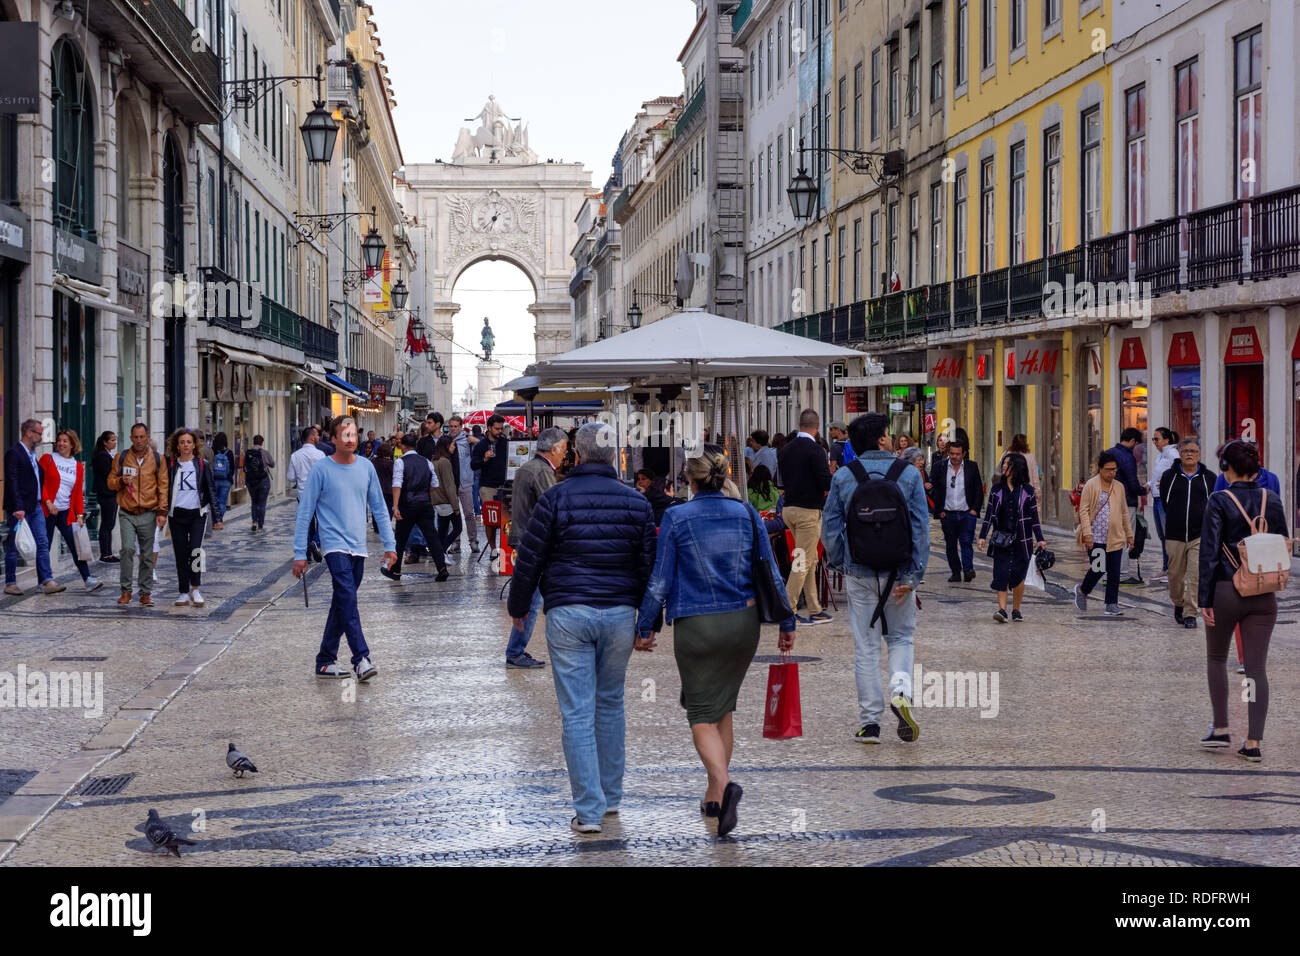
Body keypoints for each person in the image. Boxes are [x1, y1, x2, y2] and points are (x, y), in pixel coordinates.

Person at [506, 421, 657, 835]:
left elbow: (531, 558)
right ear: (614, 455)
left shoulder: (555, 498)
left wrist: (518, 607)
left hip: (569, 612)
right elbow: (649, 569)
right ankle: (610, 798)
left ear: (577, 453)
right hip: (621, 614)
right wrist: (649, 622)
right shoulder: (637, 503)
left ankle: (588, 811)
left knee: (576, 712)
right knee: (610, 703)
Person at [636, 445, 795, 836]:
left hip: (697, 624)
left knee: (701, 714)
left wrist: (646, 625)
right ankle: (713, 792)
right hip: (743, 623)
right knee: (721, 707)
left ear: (689, 481)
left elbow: (661, 578)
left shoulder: (676, 516)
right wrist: (787, 620)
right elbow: (771, 572)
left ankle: (725, 786)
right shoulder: (745, 513)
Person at [823, 413, 930, 744]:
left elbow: (829, 528)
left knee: (866, 647)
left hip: (860, 572)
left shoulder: (844, 476)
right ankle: (900, 691)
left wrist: (843, 563)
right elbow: (921, 529)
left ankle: (870, 724)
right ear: (883, 439)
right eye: (889, 432)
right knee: (900, 638)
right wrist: (914, 575)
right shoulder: (908, 474)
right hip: (899, 572)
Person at [1198, 439, 1289, 762]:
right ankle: (1253, 741)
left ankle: (1221, 728)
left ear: (1227, 469)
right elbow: (1281, 543)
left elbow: (1208, 553)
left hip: (1226, 589)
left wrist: (1204, 599)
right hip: (1263, 594)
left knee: (1216, 658)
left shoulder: (1219, 500)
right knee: (1255, 670)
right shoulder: (1273, 499)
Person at [292, 416, 397, 681]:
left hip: (358, 547)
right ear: (334, 439)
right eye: (345, 434)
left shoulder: (366, 467)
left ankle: (325, 660)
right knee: (348, 598)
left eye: (354, 434)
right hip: (334, 546)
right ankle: (361, 658)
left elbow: (379, 509)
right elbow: (305, 513)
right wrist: (299, 553)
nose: (350, 439)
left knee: (343, 602)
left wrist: (390, 545)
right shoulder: (321, 470)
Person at [504, 426, 568, 669]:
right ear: (553, 449)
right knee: (532, 600)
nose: (564, 456)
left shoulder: (527, 468)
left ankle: (517, 650)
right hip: (535, 543)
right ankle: (515, 651)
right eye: (563, 450)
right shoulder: (541, 471)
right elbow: (553, 507)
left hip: (524, 537)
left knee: (532, 597)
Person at [778, 408, 833, 625]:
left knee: (809, 559)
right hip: (808, 512)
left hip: (789, 510)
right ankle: (787, 609)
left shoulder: (785, 449)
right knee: (802, 561)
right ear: (817, 427)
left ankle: (814, 607)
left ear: (800, 425)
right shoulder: (816, 450)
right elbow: (824, 482)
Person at [977, 452, 1046, 623]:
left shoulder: (1027, 491)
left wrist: (1040, 538)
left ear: (1017, 467)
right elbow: (989, 515)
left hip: (1022, 541)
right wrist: (982, 536)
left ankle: (1016, 610)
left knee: (1018, 575)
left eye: (1008, 463)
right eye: (1004, 463)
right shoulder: (996, 490)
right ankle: (1002, 610)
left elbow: (1034, 519)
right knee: (1000, 573)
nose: (1004, 466)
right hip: (1001, 540)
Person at [107, 422, 169, 607]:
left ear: (147, 438)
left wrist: (162, 511)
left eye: (142, 437)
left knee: (147, 554)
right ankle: (126, 591)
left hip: (149, 512)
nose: (139, 440)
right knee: (127, 549)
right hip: (127, 511)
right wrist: (120, 481)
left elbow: (163, 487)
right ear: (131, 438)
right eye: (136, 437)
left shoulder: (158, 459)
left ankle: (145, 593)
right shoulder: (122, 457)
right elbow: (110, 482)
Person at [37, 428, 102, 594]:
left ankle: (88, 579)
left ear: (72, 444)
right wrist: (48, 501)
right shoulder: (48, 459)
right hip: (47, 510)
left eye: (65, 441)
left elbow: (78, 493)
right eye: (59, 440)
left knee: (76, 547)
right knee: (44, 545)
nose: (61, 443)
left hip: (66, 513)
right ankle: (43, 581)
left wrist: (80, 515)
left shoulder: (77, 466)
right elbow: (40, 483)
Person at [1159, 437, 1215, 629]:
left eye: (1193, 451)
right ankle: (1179, 602)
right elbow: (1165, 502)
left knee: (1195, 574)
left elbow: (1212, 504)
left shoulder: (1209, 478)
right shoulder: (1169, 476)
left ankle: (1190, 613)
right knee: (1174, 575)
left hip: (1199, 534)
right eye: (1185, 451)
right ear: (1180, 454)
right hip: (1174, 534)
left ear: (1199, 454)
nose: (1189, 454)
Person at [4, 419, 64, 596]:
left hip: (36, 506)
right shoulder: (14, 453)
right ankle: (10, 582)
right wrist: (18, 507)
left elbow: (37, 480)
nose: (40, 437)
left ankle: (47, 580)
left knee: (42, 542)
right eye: (38, 433)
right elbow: (12, 481)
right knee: (15, 544)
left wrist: (45, 501)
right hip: (20, 508)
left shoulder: (31, 454)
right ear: (29, 433)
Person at [1074, 450, 1135, 616]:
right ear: (1100, 469)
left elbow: (1123, 512)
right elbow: (1084, 511)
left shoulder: (1119, 487)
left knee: (1114, 571)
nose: (1112, 473)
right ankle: (1082, 590)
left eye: (1114, 469)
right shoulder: (1091, 485)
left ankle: (1111, 604)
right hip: (1095, 537)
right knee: (1098, 568)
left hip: (1115, 537)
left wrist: (1129, 535)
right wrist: (1088, 534)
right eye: (1109, 469)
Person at [164, 427, 220, 607]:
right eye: (182, 442)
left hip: (197, 514)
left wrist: (217, 517)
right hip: (176, 514)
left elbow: (211, 490)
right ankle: (183, 591)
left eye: (189, 442)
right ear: (177, 446)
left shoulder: (201, 464)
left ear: (194, 444)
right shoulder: (170, 465)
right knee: (180, 553)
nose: (186, 445)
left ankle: (195, 588)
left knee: (196, 550)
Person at [382, 433, 449, 582]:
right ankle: (442, 568)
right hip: (425, 504)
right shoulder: (426, 462)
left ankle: (395, 570)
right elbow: (435, 484)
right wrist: (424, 493)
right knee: (432, 538)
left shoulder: (400, 462)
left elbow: (397, 484)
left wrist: (395, 506)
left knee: (400, 539)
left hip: (408, 504)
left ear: (403, 446)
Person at [929, 436, 984, 583]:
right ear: (948, 452)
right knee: (951, 544)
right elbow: (931, 487)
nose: (954, 457)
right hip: (947, 513)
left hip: (966, 512)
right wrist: (939, 508)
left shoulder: (972, 467)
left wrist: (974, 510)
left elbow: (978, 490)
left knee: (966, 541)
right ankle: (955, 572)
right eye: (952, 454)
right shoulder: (939, 467)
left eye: (958, 454)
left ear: (963, 454)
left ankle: (967, 569)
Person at [1109, 427, 1145, 584]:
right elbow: (1132, 483)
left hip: (1108, 501)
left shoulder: (1109, 452)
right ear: (1132, 441)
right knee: (1124, 538)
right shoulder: (1127, 457)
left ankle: (1107, 574)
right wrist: (1144, 490)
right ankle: (1122, 574)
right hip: (1126, 502)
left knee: (1110, 538)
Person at [470, 414, 509, 556]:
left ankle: (505, 547)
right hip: (487, 486)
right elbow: (473, 465)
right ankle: (493, 549)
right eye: (497, 429)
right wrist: (484, 459)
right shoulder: (481, 445)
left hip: (505, 486)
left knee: (506, 518)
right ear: (489, 428)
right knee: (490, 519)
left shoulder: (505, 442)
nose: (500, 431)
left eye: (501, 428)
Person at [289, 426, 326, 562]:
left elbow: (291, 477)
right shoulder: (320, 455)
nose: (318, 437)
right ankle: (315, 542)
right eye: (316, 435)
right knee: (322, 521)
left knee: (306, 523)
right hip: (319, 494)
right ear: (311, 437)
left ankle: (307, 554)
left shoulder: (295, 456)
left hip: (303, 494)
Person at [1148, 427, 1179, 585]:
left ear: (1166, 440)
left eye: (1157, 439)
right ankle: (1166, 568)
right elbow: (1158, 475)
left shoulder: (1173, 454)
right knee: (1162, 536)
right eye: (1153, 439)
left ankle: (1172, 570)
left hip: (1165, 499)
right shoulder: (1161, 456)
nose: (1154, 442)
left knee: (1169, 536)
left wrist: (1168, 485)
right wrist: (1148, 485)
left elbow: (1178, 474)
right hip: (1157, 498)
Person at [447, 415, 480, 554]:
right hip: (451, 483)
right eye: (451, 426)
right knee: (452, 514)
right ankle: (455, 542)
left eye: (456, 426)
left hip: (465, 482)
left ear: (461, 427)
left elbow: (483, 447)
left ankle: (473, 541)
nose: (453, 429)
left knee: (469, 513)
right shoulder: (446, 441)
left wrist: (476, 441)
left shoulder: (467, 440)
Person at [429, 436, 462, 553]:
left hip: (438, 501)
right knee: (458, 528)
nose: (454, 448)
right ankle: (440, 551)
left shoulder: (434, 460)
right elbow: (449, 486)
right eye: (453, 445)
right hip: (448, 501)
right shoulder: (445, 462)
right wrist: (456, 506)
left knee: (443, 529)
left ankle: (439, 553)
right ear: (447, 446)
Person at [91, 431, 119, 563]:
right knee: (107, 524)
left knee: (109, 523)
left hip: (110, 493)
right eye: (112, 440)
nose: (114, 442)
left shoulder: (106, 455)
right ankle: (105, 554)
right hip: (107, 494)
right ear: (105, 442)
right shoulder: (102, 456)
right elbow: (108, 475)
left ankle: (108, 552)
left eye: (115, 440)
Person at [998, 434, 1042, 508]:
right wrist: (1037, 493)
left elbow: (1001, 472)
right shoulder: (1030, 456)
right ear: (1025, 443)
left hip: (1010, 491)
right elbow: (1035, 477)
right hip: (1027, 492)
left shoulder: (1007, 455)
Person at [243, 435, 274, 532]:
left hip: (251, 481)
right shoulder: (265, 453)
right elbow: (272, 464)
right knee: (262, 503)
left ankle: (254, 522)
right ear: (262, 442)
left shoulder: (248, 453)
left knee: (254, 502)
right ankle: (260, 526)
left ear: (253, 442)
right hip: (263, 480)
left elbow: (245, 466)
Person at [210, 432, 236, 526]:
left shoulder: (212, 451)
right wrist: (229, 477)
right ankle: (219, 520)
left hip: (214, 480)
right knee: (222, 502)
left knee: (213, 501)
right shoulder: (229, 452)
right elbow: (233, 468)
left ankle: (213, 521)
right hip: (226, 481)